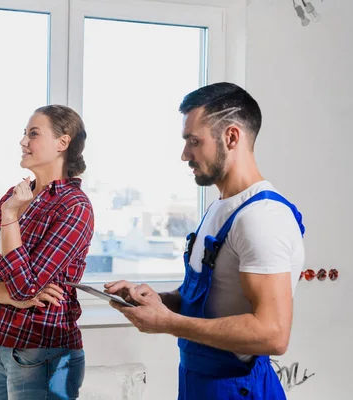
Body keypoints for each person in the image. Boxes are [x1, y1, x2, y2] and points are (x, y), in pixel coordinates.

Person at [105, 82, 305, 399]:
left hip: (237, 388)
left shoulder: (263, 217)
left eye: (194, 141)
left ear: (231, 137)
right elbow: (205, 299)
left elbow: (273, 334)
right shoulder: (219, 208)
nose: (185, 154)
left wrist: (167, 323)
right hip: (200, 383)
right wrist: (155, 300)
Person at [0, 104, 94, 400]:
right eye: (24, 134)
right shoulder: (15, 196)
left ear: (63, 142)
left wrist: (11, 217)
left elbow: (27, 287)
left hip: (42, 350)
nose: (23, 142)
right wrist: (11, 297)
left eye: (33, 134)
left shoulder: (74, 206)